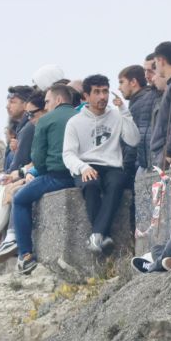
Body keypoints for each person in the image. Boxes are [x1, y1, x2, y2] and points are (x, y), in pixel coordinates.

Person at [63, 74, 139, 254]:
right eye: (96, 92)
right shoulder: (74, 122)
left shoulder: (117, 115)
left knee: (118, 182)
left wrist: (125, 112)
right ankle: (101, 236)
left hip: (112, 165)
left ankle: (97, 235)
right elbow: (68, 154)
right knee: (91, 185)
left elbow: (134, 140)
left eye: (105, 91)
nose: (102, 97)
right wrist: (83, 167)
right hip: (86, 165)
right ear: (86, 96)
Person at [10, 83, 81, 274]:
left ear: (58, 100)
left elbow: (39, 159)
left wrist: (36, 173)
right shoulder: (81, 116)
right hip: (82, 176)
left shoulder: (46, 120)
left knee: (19, 199)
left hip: (57, 177)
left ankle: (25, 255)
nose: (46, 105)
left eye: (48, 101)